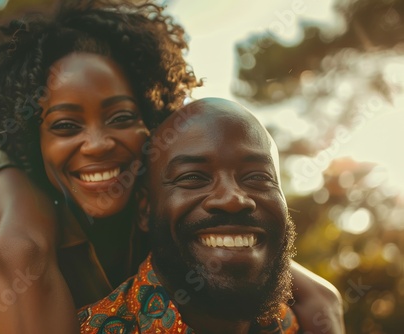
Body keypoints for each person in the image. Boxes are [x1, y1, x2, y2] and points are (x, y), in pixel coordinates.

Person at [0, 1, 344, 333]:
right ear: (34, 144)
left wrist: (310, 285)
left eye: (121, 118)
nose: (99, 143)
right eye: (67, 126)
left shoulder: (162, 184)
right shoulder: (9, 227)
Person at [76, 98, 317, 333]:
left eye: (258, 177)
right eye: (193, 177)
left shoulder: (297, 325)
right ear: (145, 209)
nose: (233, 199)